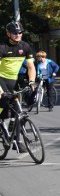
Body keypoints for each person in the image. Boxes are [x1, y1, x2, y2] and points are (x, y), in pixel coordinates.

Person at [0, 21, 36, 152]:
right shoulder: (2, 47)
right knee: (2, 106)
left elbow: (31, 67)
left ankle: (17, 140)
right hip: (1, 80)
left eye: (20, 32)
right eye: (15, 32)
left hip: (14, 81)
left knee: (18, 112)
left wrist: (31, 82)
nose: (18, 34)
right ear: (8, 33)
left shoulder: (25, 46)